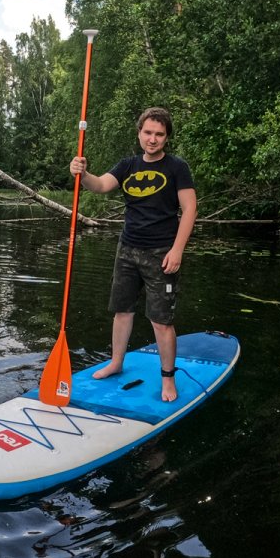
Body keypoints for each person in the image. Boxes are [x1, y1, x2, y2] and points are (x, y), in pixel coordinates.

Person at [69, 106, 196, 401]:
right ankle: (116, 362)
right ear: (139, 133)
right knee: (122, 310)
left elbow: (190, 209)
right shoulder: (128, 166)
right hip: (127, 249)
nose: (152, 139)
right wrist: (83, 172)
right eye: (148, 132)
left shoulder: (177, 167)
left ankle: (167, 379)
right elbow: (100, 186)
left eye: (159, 134)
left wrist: (177, 250)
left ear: (166, 138)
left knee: (161, 320)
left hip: (161, 253)